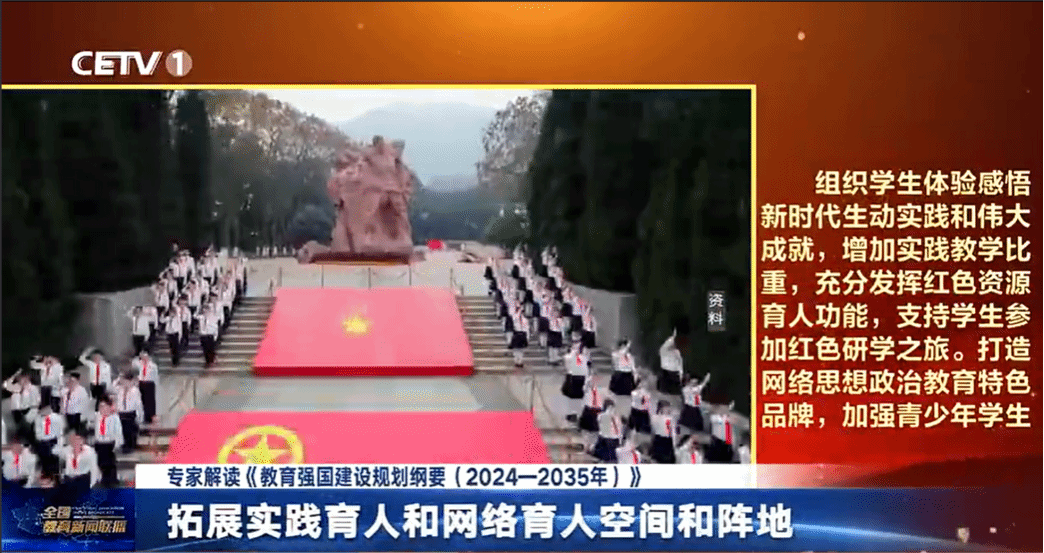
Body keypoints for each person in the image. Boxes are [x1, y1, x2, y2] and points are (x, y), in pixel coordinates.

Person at [91, 397, 122, 488]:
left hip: (109, 444)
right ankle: (102, 479)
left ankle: (111, 481)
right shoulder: (97, 416)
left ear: (109, 407)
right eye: (101, 406)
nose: (103, 409)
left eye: (105, 406)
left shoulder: (114, 418)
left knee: (109, 463)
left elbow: (118, 432)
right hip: (99, 442)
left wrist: (117, 444)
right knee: (100, 462)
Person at [113, 372, 144, 453]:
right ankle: (124, 444)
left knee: (129, 430)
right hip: (121, 412)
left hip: (130, 413)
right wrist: (119, 378)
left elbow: (138, 404)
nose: (125, 383)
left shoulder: (135, 390)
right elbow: (113, 386)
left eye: (126, 381)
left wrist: (140, 415)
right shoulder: (119, 389)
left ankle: (130, 445)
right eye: (123, 381)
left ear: (131, 381)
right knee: (122, 430)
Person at [560, 343, 588, 421]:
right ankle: (573, 413)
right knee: (574, 397)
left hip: (575, 377)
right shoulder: (573, 357)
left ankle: (573, 414)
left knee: (574, 397)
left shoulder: (578, 357)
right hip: (574, 377)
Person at [34, 402, 64, 472]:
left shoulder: (57, 418)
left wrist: (59, 446)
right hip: (43, 443)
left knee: (53, 463)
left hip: (53, 441)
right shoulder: (38, 418)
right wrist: (42, 439)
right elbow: (37, 432)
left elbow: (60, 433)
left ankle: (54, 473)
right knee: (44, 463)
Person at [131, 351, 158, 425]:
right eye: (143, 357)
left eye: (145, 357)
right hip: (141, 383)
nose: (144, 359)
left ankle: (149, 417)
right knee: (142, 400)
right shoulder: (139, 364)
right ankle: (142, 417)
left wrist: (155, 384)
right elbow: (133, 363)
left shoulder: (153, 366)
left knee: (149, 401)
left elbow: (155, 376)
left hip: (149, 383)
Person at [657, 329, 684, 396]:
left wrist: (681, 373)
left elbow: (680, 362)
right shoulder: (665, 350)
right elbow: (680, 364)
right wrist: (673, 336)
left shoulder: (675, 352)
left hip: (671, 372)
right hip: (668, 372)